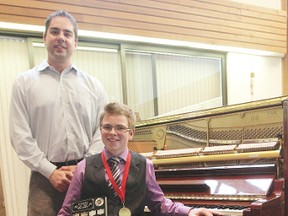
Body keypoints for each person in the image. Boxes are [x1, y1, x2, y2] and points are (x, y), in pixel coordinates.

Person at [9, 10, 108, 215]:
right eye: (55, 32)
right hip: (44, 179)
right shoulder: (24, 83)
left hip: (86, 175)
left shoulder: (94, 86)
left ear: (75, 42)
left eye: (67, 33)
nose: (61, 38)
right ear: (44, 38)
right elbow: (20, 135)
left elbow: (102, 131)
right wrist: (50, 171)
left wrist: (83, 167)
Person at [58, 102, 222, 216]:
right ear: (101, 130)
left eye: (120, 128)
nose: (113, 133)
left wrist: (189, 211)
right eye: (107, 127)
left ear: (131, 133)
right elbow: (66, 211)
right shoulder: (84, 167)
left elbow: (158, 204)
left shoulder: (144, 165)